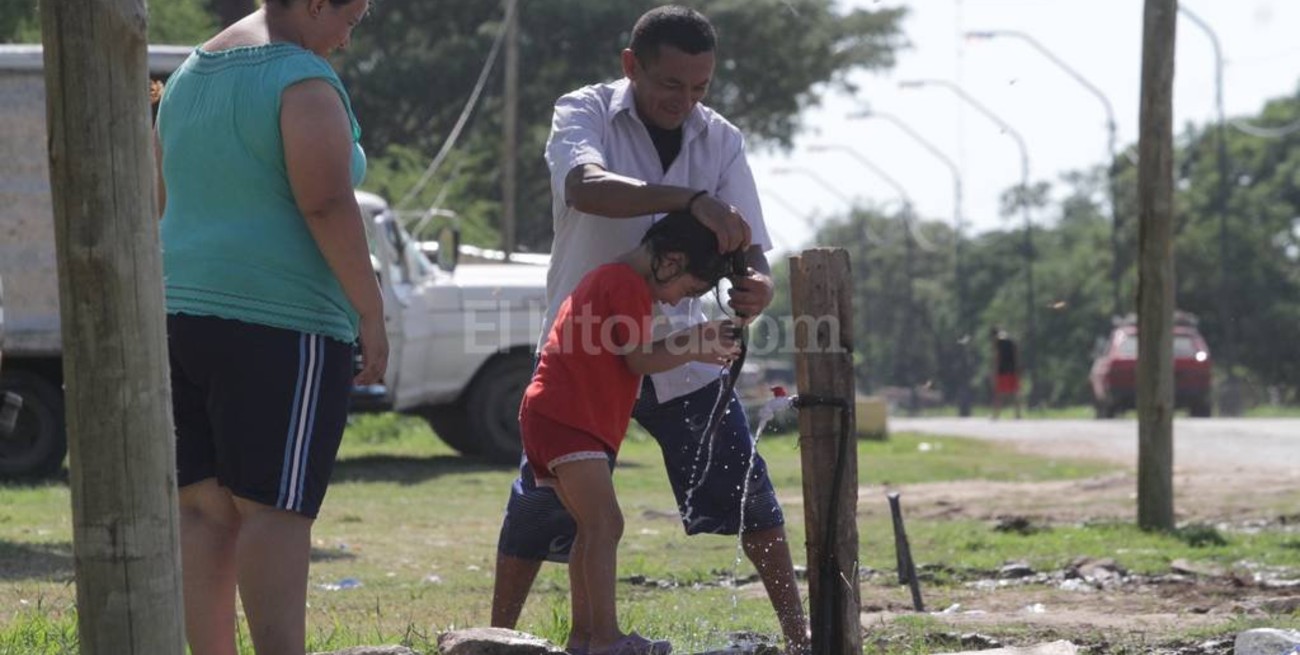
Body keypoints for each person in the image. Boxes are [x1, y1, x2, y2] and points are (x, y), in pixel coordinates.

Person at [492, 6, 810, 654]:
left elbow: (746, 242)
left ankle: (802, 639)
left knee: (746, 490)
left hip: (680, 361)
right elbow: (584, 186)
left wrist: (758, 283)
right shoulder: (583, 111)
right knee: (543, 511)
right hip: (585, 352)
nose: (684, 101)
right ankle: (490, 638)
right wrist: (688, 199)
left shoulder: (721, 139)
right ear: (631, 65)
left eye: (699, 87)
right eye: (670, 84)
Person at [154, 1, 385, 653]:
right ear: (313, 3)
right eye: (350, 19)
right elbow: (326, 201)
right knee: (275, 508)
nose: (347, 38)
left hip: (179, 313)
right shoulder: (300, 80)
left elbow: (164, 196)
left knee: (202, 509)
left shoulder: (190, 74)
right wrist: (370, 310)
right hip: (281, 323)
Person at [523, 211, 742, 655]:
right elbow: (639, 359)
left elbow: (635, 354)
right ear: (671, 262)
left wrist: (695, 343)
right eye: (689, 291)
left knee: (592, 527)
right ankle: (606, 639)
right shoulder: (625, 283)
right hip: (569, 417)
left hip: (554, 415)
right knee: (605, 524)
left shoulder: (610, 279)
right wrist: (696, 342)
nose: (678, 303)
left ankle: (584, 639)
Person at [990, 327, 1022, 420]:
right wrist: (1018, 368)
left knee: (999, 393)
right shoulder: (1011, 340)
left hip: (1002, 370)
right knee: (1015, 392)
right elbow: (1016, 354)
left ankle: (996, 414)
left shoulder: (997, 341)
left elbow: (997, 357)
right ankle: (1017, 414)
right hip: (1012, 369)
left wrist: (994, 371)